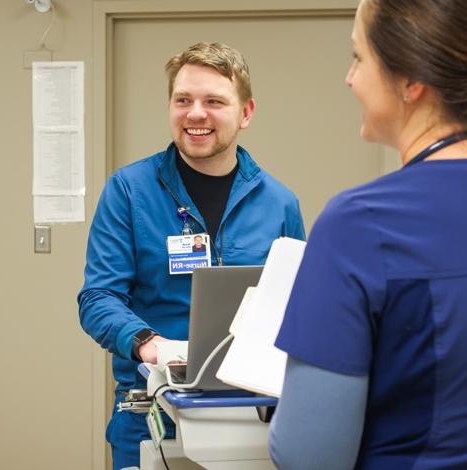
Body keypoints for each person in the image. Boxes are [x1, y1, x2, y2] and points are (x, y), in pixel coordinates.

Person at [268, 0, 467, 468]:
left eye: (358, 58)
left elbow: (309, 456)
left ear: (411, 80)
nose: (350, 79)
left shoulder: (359, 225)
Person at [78, 42, 305, 469]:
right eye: (183, 100)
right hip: (150, 409)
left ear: (246, 112)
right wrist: (150, 344)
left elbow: (299, 307)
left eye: (214, 101)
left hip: (253, 413)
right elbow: (97, 298)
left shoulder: (280, 204)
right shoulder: (129, 191)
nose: (195, 114)